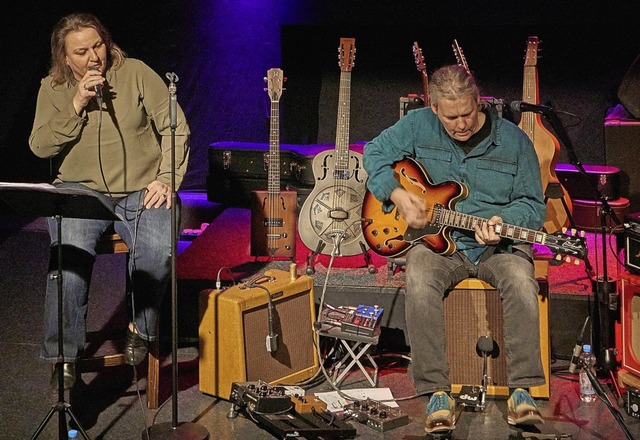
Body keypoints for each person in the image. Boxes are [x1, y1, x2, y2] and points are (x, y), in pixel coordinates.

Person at [363, 65, 546, 434]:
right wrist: (397, 194)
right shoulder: (417, 126)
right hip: (439, 245)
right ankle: (435, 392)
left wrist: (502, 219)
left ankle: (522, 390)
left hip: (498, 246)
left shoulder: (515, 141)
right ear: (434, 109)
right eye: (451, 117)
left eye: (467, 113)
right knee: (418, 277)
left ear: (479, 101)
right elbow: (373, 153)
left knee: (521, 280)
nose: (461, 123)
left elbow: (533, 204)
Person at [29, 12, 190, 390]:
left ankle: (142, 328)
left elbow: (174, 126)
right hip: (80, 189)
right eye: (81, 52)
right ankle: (65, 355)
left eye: (97, 45)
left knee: (157, 248)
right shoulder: (52, 87)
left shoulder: (134, 72)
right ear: (65, 58)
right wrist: (75, 105)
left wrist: (166, 178)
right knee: (68, 257)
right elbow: (39, 146)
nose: (93, 57)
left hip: (141, 188)